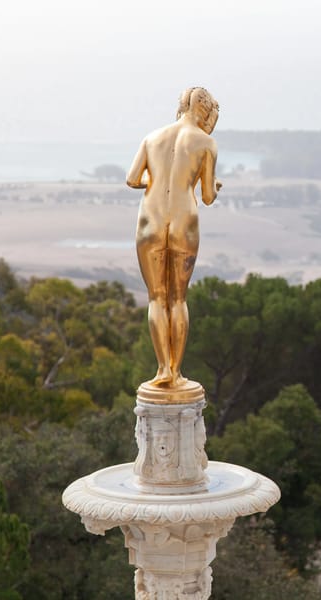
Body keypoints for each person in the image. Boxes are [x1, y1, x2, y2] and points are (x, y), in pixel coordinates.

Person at [127, 87, 222, 387]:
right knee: (178, 298)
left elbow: (132, 179)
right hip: (184, 220)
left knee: (156, 297)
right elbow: (206, 196)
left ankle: (161, 370)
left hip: (150, 219)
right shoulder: (206, 143)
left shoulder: (152, 137)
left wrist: (155, 183)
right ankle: (175, 372)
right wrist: (214, 186)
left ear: (181, 106)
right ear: (206, 112)